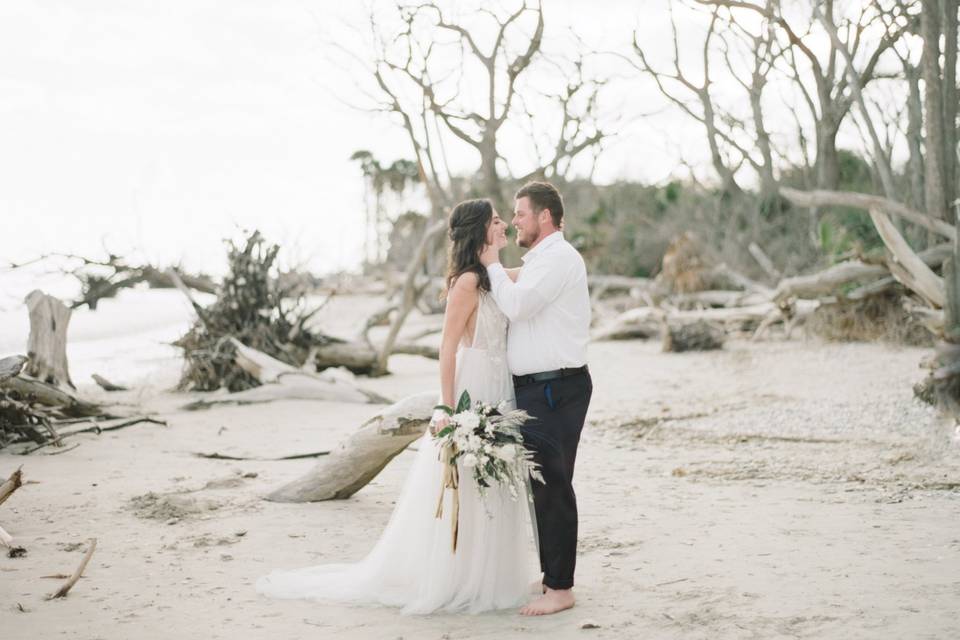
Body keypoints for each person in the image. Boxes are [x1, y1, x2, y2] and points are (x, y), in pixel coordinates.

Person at [256, 198, 538, 614]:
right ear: (480, 231)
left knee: (496, 482)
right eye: (496, 222)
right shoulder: (465, 284)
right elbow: (446, 348)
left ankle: (492, 576)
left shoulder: (498, 277)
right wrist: (447, 407)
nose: (504, 226)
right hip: (474, 385)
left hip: (502, 388)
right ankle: (460, 577)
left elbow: (535, 274)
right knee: (467, 481)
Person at [480, 181, 593, 616]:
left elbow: (519, 305)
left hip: (556, 388)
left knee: (553, 486)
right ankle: (552, 575)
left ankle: (561, 589)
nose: (515, 221)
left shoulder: (560, 257)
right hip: (538, 388)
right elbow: (514, 287)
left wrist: (491, 261)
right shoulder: (543, 261)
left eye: (521, 213)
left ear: (544, 216)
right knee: (540, 484)